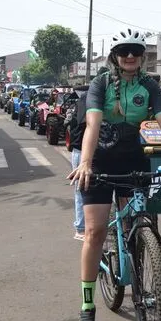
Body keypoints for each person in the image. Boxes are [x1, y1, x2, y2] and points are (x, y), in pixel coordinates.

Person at [68, 28, 161, 321]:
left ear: (142, 56)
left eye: (135, 51)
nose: (130, 56)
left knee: (140, 226)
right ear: (114, 56)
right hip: (101, 160)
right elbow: (92, 125)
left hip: (134, 162)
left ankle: (143, 283)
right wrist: (86, 162)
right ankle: (87, 306)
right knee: (95, 231)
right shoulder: (100, 84)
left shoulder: (149, 85)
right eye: (123, 51)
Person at [66, 86, 89, 241]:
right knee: (82, 190)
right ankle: (80, 228)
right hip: (81, 152)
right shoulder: (86, 102)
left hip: (87, 151)